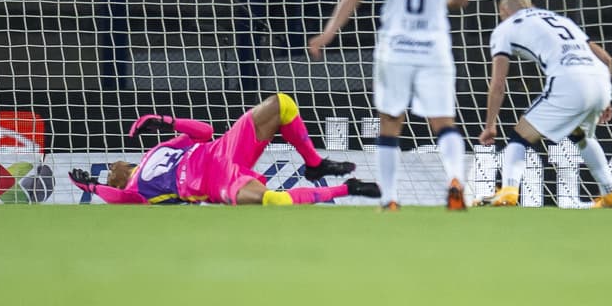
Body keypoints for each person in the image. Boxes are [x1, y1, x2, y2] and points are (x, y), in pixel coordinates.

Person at [307, 0, 471, 210]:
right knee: (443, 120)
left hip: (396, 43)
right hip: (434, 44)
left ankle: (391, 198)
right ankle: (455, 183)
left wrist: (328, 33)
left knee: (390, 121)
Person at [69, 93, 380, 206]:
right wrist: (92, 187)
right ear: (119, 182)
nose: (110, 167)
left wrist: (166, 120)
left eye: (109, 168)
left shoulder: (157, 151)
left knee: (281, 104)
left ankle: (314, 163)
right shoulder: (136, 191)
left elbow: (204, 132)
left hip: (223, 149)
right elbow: (118, 198)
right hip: (215, 184)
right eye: (109, 174)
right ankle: (346, 188)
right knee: (275, 202)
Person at [477, 0, 612, 208]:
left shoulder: (504, 29)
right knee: (582, 136)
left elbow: (498, 83)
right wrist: (607, 98)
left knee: (520, 137)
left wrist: (490, 125)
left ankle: (508, 191)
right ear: (530, 4)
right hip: (599, 81)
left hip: (569, 83)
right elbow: (606, 59)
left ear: (504, 12)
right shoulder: (561, 20)